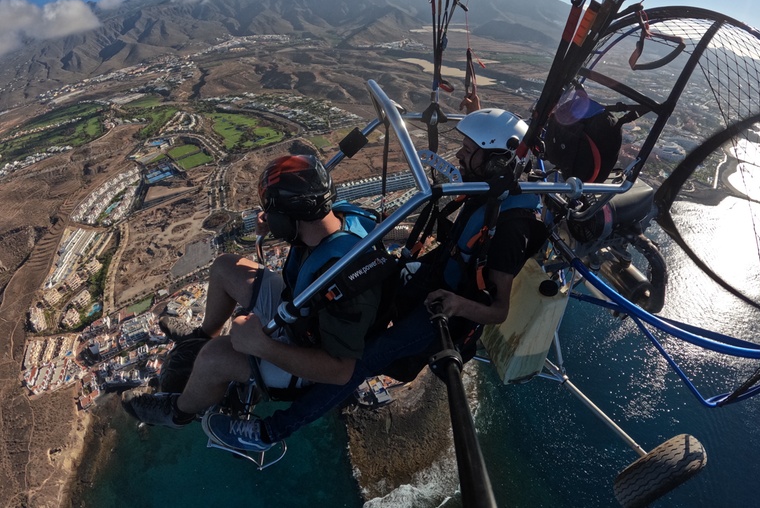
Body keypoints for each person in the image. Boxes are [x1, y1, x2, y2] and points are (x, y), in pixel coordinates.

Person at [192, 105, 546, 448]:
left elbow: (499, 310)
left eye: (469, 152)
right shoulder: (491, 187)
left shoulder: (512, 229)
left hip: (442, 314)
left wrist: (455, 303)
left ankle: (270, 432)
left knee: (361, 364)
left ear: (498, 161)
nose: (459, 157)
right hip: (431, 282)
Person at [122, 154, 382, 452]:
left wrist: (262, 346)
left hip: (313, 356)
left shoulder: (342, 277)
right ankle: (201, 334)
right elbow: (311, 238)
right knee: (224, 267)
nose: (267, 217)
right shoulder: (339, 219)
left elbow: (341, 371)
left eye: (270, 213)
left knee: (213, 357)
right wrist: (278, 227)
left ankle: (177, 411)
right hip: (302, 306)